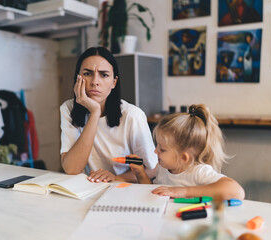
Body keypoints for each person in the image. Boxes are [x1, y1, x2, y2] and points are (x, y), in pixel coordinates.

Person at [60, 46, 158, 183]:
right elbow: (72, 169)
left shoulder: (132, 115)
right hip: (90, 187)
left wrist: (117, 178)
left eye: (104, 75)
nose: (95, 82)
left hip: (124, 189)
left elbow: (153, 168)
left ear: (114, 82)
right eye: (88, 74)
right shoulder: (68, 108)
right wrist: (95, 113)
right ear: (78, 78)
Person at [130, 104, 245, 200]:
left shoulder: (198, 172)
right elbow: (156, 192)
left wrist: (183, 191)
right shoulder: (163, 168)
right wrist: (140, 174)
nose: (155, 151)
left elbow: (236, 191)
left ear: (184, 158)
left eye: (162, 149)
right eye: (157, 146)